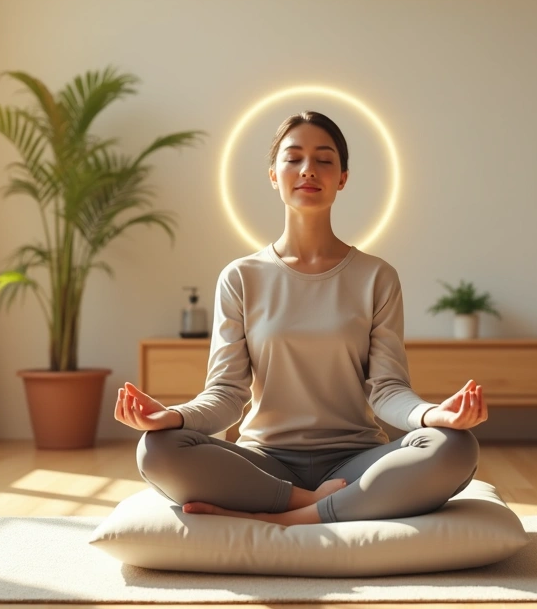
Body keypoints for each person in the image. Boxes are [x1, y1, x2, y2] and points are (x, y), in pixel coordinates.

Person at [114, 111, 488, 526]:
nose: (308, 169)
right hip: (265, 464)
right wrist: (175, 417)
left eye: (324, 160)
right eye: (293, 158)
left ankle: (289, 518)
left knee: (455, 446)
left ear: (342, 177)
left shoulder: (376, 276)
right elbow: (226, 393)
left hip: (356, 462)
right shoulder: (241, 277)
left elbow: (387, 390)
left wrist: (434, 415)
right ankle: (304, 503)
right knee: (157, 449)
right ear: (273, 174)